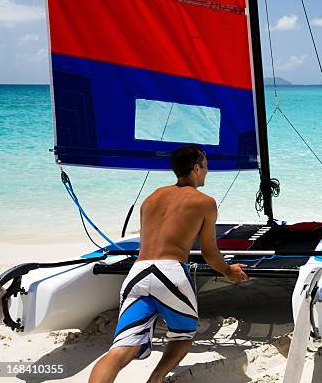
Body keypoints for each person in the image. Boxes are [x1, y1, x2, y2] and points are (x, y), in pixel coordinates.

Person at [89, 145, 248, 383]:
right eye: (205, 165)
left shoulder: (151, 198)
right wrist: (228, 271)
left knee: (121, 349)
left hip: (139, 272)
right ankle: (155, 379)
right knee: (183, 335)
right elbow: (209, 252)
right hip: (170, 272)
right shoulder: (204, 202)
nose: (208, 170)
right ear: (196, 168)